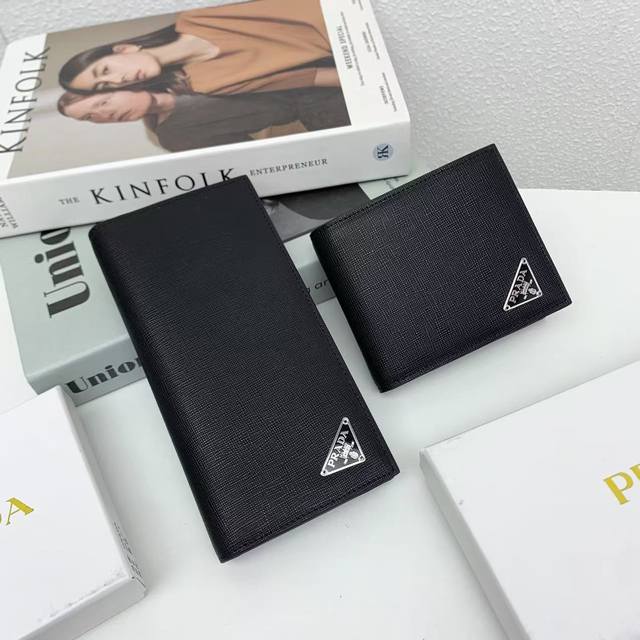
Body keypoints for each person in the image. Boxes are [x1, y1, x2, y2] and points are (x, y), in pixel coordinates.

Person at [59, 0, 340, 96]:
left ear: (123, 49)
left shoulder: (197, 13)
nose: (118, 80)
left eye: (105, 71)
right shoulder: (208, 84)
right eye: (105, 86)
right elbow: (312, 77)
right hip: (345, 46)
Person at [57, 87, 350, 151]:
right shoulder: (174, 135)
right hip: (326, 113)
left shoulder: (179, 69)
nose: (105, 115)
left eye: (103, 102)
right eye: (91, 118)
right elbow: (260, 157)